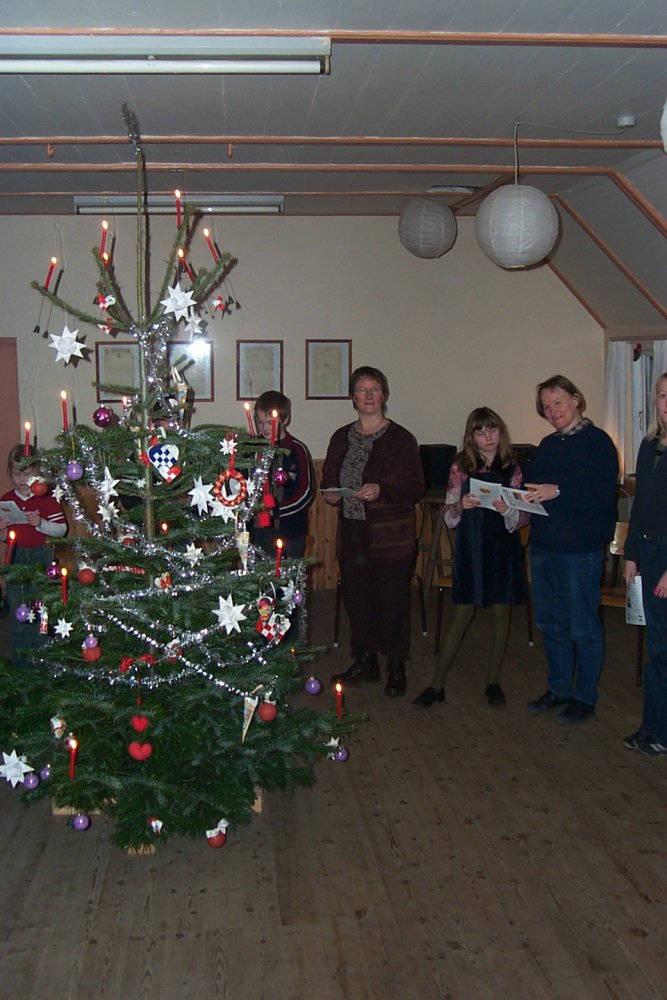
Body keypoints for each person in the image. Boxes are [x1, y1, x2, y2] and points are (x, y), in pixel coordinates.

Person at [413, 407, 527, 708]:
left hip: (502, 548)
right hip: (471, 548)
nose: (488, 437)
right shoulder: (461, 467)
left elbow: (523, 516)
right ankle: (437, 684)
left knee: (502, 614)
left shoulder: (512, 467)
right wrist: (461, 504)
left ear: (501, 432)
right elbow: (449, 515)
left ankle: (493, 681)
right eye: (480, 432)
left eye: (492, 430)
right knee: (461, 614)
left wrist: (510, 510)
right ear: (471, 436)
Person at [322, 366, 425, 697]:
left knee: (393, 602)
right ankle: (366, 660)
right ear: (352, 397)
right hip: (353, 533)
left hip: (391, 538)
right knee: (358, 601)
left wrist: (382, 490)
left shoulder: (401, 439)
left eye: (375, 389)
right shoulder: (340, 437)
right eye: (361, 389)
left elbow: (416, 486)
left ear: (384, 395)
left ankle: (396, 664)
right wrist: (331, 494)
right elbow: (329, 479)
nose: (368, 395)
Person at [524, 375, 618, 724]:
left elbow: (601, 496)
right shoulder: (547, 444)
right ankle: (560, 688)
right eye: (546, 407)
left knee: (582, 626)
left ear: (576, 400)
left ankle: (584, 697)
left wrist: (558, 491)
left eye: (558, 403)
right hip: (544, 546)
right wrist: (514, 501)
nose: (553, 412)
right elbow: (536, 490)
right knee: (550, 623)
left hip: (580, 551)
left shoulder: (599, 443)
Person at [622, 372, 667, 755]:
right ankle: (652, 728)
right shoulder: (649, 445)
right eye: (663, 396)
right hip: (648, 554)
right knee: (658, 649)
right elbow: (639, 510)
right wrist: (631, 554)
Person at [0, 444, 67, 667]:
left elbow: (61, 530)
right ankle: (21, 663)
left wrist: (40, 524)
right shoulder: (6, 500)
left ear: (37, 472)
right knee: (18, 608)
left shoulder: (46, 497)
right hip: (15, 557)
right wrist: (2, 530)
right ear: (9, 473)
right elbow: (4, 537)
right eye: (16, 474)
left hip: (41, 556)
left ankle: (43, 660)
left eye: (27, 474)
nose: (21, 479)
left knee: (41, 610)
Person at [252, 390, 314, 559]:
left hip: (290, 531)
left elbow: (306, 492)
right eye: (260, 422)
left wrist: (276, 511)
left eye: (270, 422)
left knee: (288, 574)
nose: (264, 428)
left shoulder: (296, 450)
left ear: (285, 420)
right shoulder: (252, 449)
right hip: (257, 530)